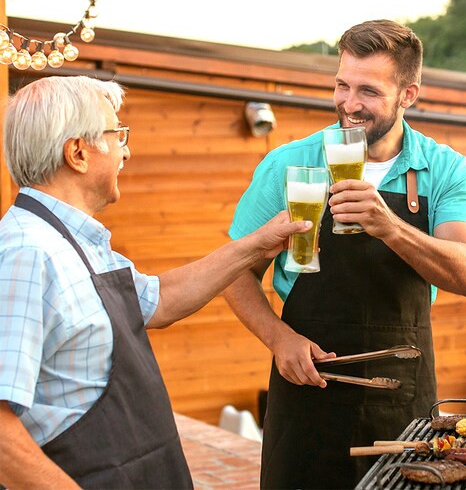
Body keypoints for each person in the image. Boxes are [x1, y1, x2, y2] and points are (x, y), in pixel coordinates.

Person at [0, 75, 314, 489]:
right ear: (78, 152)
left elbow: (158, 299)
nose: (126, 150)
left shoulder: (74, 241)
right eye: (117, 134)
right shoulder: (27, 252)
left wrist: (256, 245)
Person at [223, 19, 466, 489]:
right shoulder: (288, 163)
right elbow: (234, 271)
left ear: (408, 94)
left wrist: (390, 227)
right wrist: (278, 339)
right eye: (342, 84)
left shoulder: (444, 168)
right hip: (308, 386)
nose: (349, 103)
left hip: (403, 392)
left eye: (368, 90)